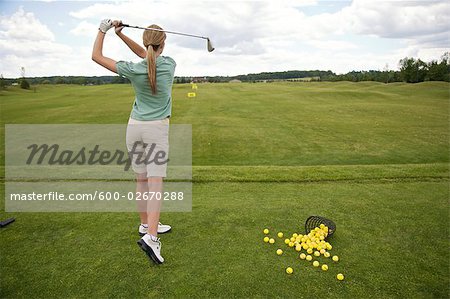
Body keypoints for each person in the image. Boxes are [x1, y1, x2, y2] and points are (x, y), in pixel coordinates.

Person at [92, 19, 176, 264]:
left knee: (141, 179)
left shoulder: (133, 69)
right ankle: (151, 237)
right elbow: (147, 53)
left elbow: (97, 56)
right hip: (156, 130)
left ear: (145, 42)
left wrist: (106, 31)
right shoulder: (169, 64)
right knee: (155, 183)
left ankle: (145, 225)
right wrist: (121, 35)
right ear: (163, 44)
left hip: (134, 128)